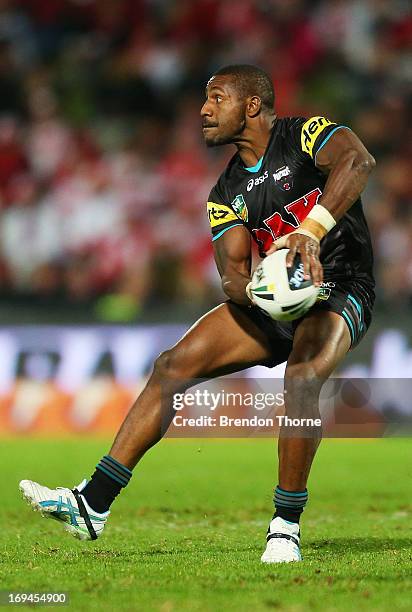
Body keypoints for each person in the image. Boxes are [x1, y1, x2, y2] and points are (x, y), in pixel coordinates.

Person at [20, 65, 376, 563]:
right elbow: (232, 276)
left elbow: (358, 163)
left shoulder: (306, 135)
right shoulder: (224, 193)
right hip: (276, 301)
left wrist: (309, 233)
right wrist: (265, 292)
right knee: (171, 366)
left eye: (216, 98)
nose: (204, 111)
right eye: (204, 100)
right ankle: (92, 503)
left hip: (341, 285)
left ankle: (284, 526)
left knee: (301, 377)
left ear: (251, 105)